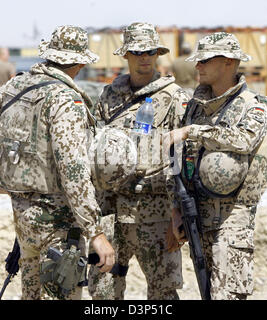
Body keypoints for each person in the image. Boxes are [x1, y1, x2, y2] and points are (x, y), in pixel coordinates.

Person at [0, 25, 115, 300]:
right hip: (57, 220)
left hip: (23, 214)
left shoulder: (16, 85)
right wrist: (95, 233)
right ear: (80, 62)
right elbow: (74, 171)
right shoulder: (65, 100)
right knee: (62, 292)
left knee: (31, 292)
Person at [167, 32, 267, 300]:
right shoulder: (195, 107)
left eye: (205, 60)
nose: (198, 66)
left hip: (232, 218)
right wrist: (176, 208)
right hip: (197, 215)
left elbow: (243, 139)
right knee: (206, 291)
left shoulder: (255, 106)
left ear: (229, 62)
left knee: (226, 295)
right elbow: (176, 158)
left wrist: (194, 131)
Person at [88, 22, 191, 300]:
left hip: (156, 212)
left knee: (163, 292)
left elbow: (183, 159)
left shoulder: (173, 98)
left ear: (157, 54)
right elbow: (94, 147)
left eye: (149, 51)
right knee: (104, 290)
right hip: (110, 209)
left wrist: (177, 213)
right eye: (137, 52)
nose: (144, 57)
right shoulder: (109, 97)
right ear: (126, 55)